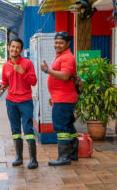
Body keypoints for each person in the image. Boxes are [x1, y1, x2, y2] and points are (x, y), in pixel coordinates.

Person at [0, 38, 38, 169]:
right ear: (9, 47)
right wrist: (1, 86)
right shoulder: (6, 66)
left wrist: (23, 72)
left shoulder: (27, 63)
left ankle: (33, 159)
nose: (14, 49)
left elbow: (33, 81)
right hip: (11, 102)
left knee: (28, 129)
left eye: (17, 47)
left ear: (21, 50)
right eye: (12, 46)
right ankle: (19, 157)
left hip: (25, 101)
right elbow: (5, 82)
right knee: (15, 130)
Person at [40, 31, 79, 166]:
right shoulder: (61, 56)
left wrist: (47, 70)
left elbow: (65, 76)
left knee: (61, 127)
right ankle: (73, 154)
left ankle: (64, 157)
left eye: (61, 42)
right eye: (56, 42)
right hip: (61, 98)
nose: (57, 45)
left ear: (68, 44)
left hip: (64, 99)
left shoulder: (67, 57)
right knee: (68, 126)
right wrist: (53, 96)